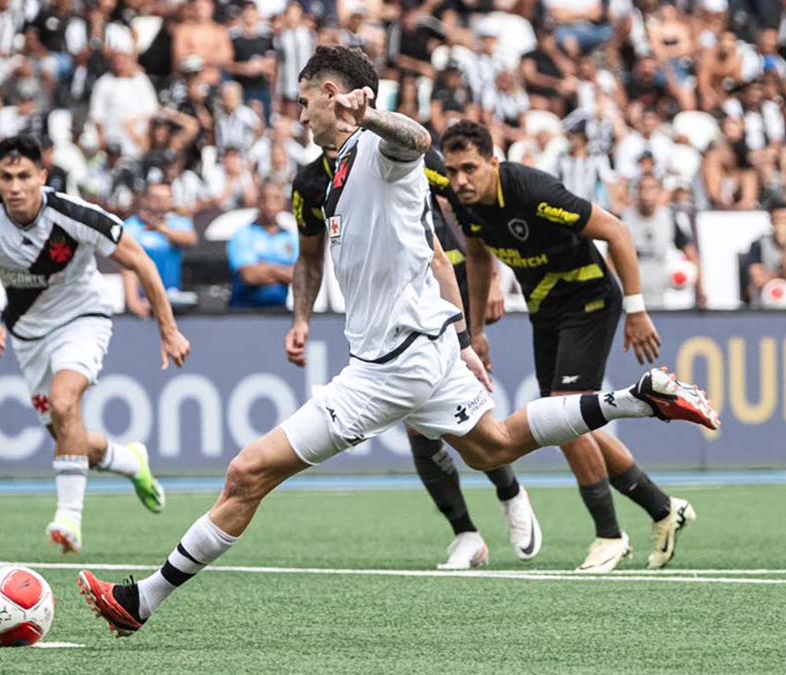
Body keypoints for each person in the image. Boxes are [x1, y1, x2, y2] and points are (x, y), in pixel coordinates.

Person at [77, 46, 719, 636]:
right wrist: (463, 338)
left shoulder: (376, 152)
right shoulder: (331, 174)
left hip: (390, 367)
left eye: (305, 101)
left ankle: (142, 603)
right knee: (493, 447)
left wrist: (372, 114)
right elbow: (436, 257)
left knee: (248, 472)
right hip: (429, 349)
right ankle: (639, 398)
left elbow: (416, 138)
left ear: (334, 95)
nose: (300, 115)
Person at [441, 119, 701, 573]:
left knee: (561, 412)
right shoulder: (465, 205)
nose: (460, 181)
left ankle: (609, 536)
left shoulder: (533, 191)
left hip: (590, 299)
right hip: (547, 308)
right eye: (452, 171)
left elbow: (616, 231)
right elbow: (480, 258)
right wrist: (476, 329)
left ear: (492, 163)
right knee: (563, 422)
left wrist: (637, 311)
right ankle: (663, 509)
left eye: (469, 169)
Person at [291, 145, 538, 570]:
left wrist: (490, 276)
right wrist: (301, 320)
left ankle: (509, 491)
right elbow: (309, 258)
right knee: (420, 427)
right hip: (394, 303)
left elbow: (465, 203)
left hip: (446, 283)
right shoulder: (311, 184)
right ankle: (466, 533)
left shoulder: (397, 153)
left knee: (466, 419)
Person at [0, 134, 190, 555]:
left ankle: (69, 520)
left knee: (65, 404)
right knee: (67, 433)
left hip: (83, 319)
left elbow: (141, 263)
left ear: (42, 175)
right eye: (6, 177)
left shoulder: (75, 215)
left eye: (25, 175)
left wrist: (168, 330)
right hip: (27, 335)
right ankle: (130, 461)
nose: (15, 186)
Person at [621, 174, 705, 310]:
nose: (646, 193)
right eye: (642, 188)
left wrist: (700, 291)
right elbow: (611, 259)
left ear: (659, 192)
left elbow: (691, 254)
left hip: (658, 289)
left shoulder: (669, 218)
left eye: (651, 188)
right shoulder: (624, 219)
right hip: (628, 289)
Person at [122, 182, 199, 318]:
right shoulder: (131, 227)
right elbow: (128, 265)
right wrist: (133, 301)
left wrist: (160, 228)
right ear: (145, 200)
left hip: (172, 299)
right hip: (144, 301)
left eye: (167, 199)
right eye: (157, 199)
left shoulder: (178, 222)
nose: (162, 204)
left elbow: (190, 240)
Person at [227, 181, 298, 309]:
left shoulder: (292, 238)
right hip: (243, 313)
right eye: (265, 199)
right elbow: (250, 276)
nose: (270, 205)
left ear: (283, 203)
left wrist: (266, 268)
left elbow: (300, 276)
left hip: (280, 314)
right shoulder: (242, 235)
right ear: (258, 202)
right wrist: (283, 274)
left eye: (276, 199)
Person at [744, 201, 786, 308]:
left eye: (785, 219)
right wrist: (781, 275)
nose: (781, 224)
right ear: (771, 221)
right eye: (777, 219)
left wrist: (784, 249)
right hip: (764, 302)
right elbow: (758, 280)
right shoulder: (759, 245)